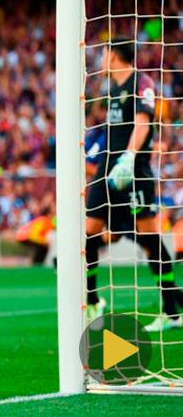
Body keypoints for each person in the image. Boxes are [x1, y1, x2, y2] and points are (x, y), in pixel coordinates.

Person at [85, 37, 183, 331]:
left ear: (114, 55)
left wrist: (128, 157)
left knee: (149, 240)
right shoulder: (111, 90)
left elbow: (143, 123)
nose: (101, 60)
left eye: (104, 54)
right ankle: (92, 300)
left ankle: (172, 311)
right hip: (107, 171)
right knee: (88, 232)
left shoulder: (142, 82)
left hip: (133, 172)